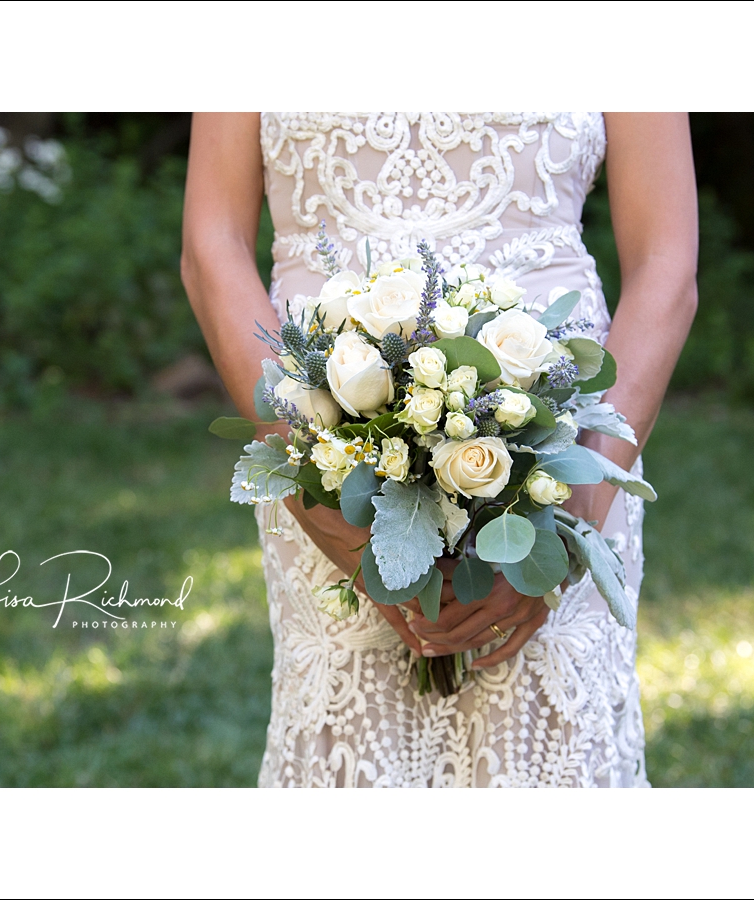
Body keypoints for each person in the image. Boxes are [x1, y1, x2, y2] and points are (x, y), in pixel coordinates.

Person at [181, 113, 697, 787]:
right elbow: (210, 243)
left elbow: (667, 262)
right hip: (326, 430)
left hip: (560, 442)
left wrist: (572, 520)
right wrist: (307, 470)